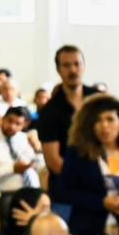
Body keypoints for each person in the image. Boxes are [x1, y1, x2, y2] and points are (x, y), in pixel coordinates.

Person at [59, 94, 119, 235]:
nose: (104, 126)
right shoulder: (77, 154)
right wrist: (102, 202)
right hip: (89, 228)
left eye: (109, 119)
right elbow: (64, 192)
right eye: (97, 120)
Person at [39, 45, 101, 215]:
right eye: (66, 65)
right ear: (58, 70)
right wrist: (88, 179)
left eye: (77, 64)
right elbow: (53, 161)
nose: (73, 70)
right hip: (66, 195)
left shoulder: (98, 100)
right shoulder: (49, 111)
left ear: (84, 66)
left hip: (102, 189)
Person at [0, 106, 40, 193]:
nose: (12, 126)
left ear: (24, 125)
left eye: (18, 124)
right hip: (5, 192)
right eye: (10, 121)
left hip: (33, 190)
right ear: (2, 119)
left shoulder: (25, 139)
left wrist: (37, 150)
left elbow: (39, 166)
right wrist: (11, 169)